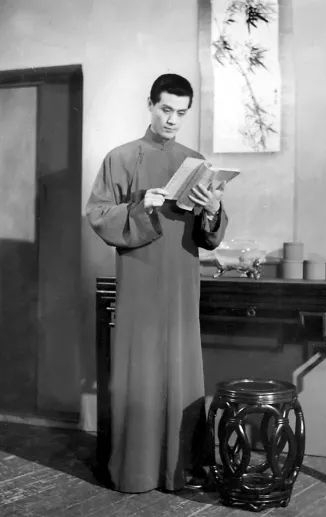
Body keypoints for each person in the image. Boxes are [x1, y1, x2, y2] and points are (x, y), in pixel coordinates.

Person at [86, 73, 228, 493]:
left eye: (181, 113)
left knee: (182, 369)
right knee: (141, 370)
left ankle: (180, 470)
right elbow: (97, 215)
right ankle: (138, 471)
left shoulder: (195, 162)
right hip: (141, 277)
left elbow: (208, 235)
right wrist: (139, 206)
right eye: (166, 109)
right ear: (150, 105)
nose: (172, 120)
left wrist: (212, 209)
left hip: (182, 278)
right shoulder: (120, 158)